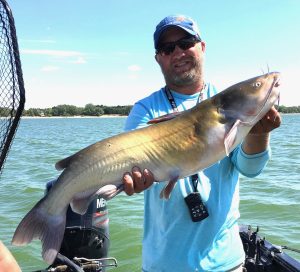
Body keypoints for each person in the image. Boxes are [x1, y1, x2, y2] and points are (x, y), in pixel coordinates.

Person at [122, 15, 281, 272]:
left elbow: (250, 169)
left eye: (186, 43)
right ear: (158, 58)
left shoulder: (226, 101)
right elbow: (132, 170)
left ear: (202, 47)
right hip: (163, 264)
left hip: (225, 263)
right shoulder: (145, 111)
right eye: (167, 48)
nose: (178, 53)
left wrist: (259, 132)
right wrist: (130, 181)